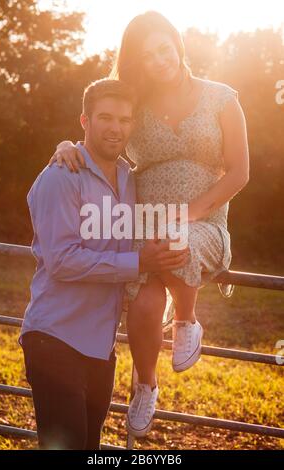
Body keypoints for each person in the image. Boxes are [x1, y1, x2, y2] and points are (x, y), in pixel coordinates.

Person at [49, 11, 249, 438]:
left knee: (177, 240)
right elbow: (103, 132)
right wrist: (66, 144)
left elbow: (239, 172)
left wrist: (190, 212)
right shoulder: (136, 105)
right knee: (142, 299)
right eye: (147, 56)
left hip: (205, 223)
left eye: (164, 48)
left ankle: (186, 320)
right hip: (144, 223)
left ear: (178, 44)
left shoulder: (221, 98)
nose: (160, 60)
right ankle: (146, 384)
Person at [19, 78, 188, 449]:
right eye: (106, 117)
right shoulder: (62, 177)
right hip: (55, 340)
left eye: (125, 120)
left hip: (100, 348)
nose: (116, 128)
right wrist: (137, 262)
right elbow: (62, 261)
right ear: (85, 121)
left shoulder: (130, 179)